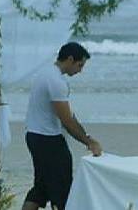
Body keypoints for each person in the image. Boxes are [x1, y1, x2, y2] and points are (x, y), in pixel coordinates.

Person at [22, 42, 103, 210]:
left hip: (33, 135)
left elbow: (69, 116)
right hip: (48, 140)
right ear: (70, 59)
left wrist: (87, 136)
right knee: (62, 189)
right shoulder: (56, 81)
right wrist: (88, 142)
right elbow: (67, 120)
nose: (80, 70)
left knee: (41, 188)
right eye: (80, 65)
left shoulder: (45, 73)